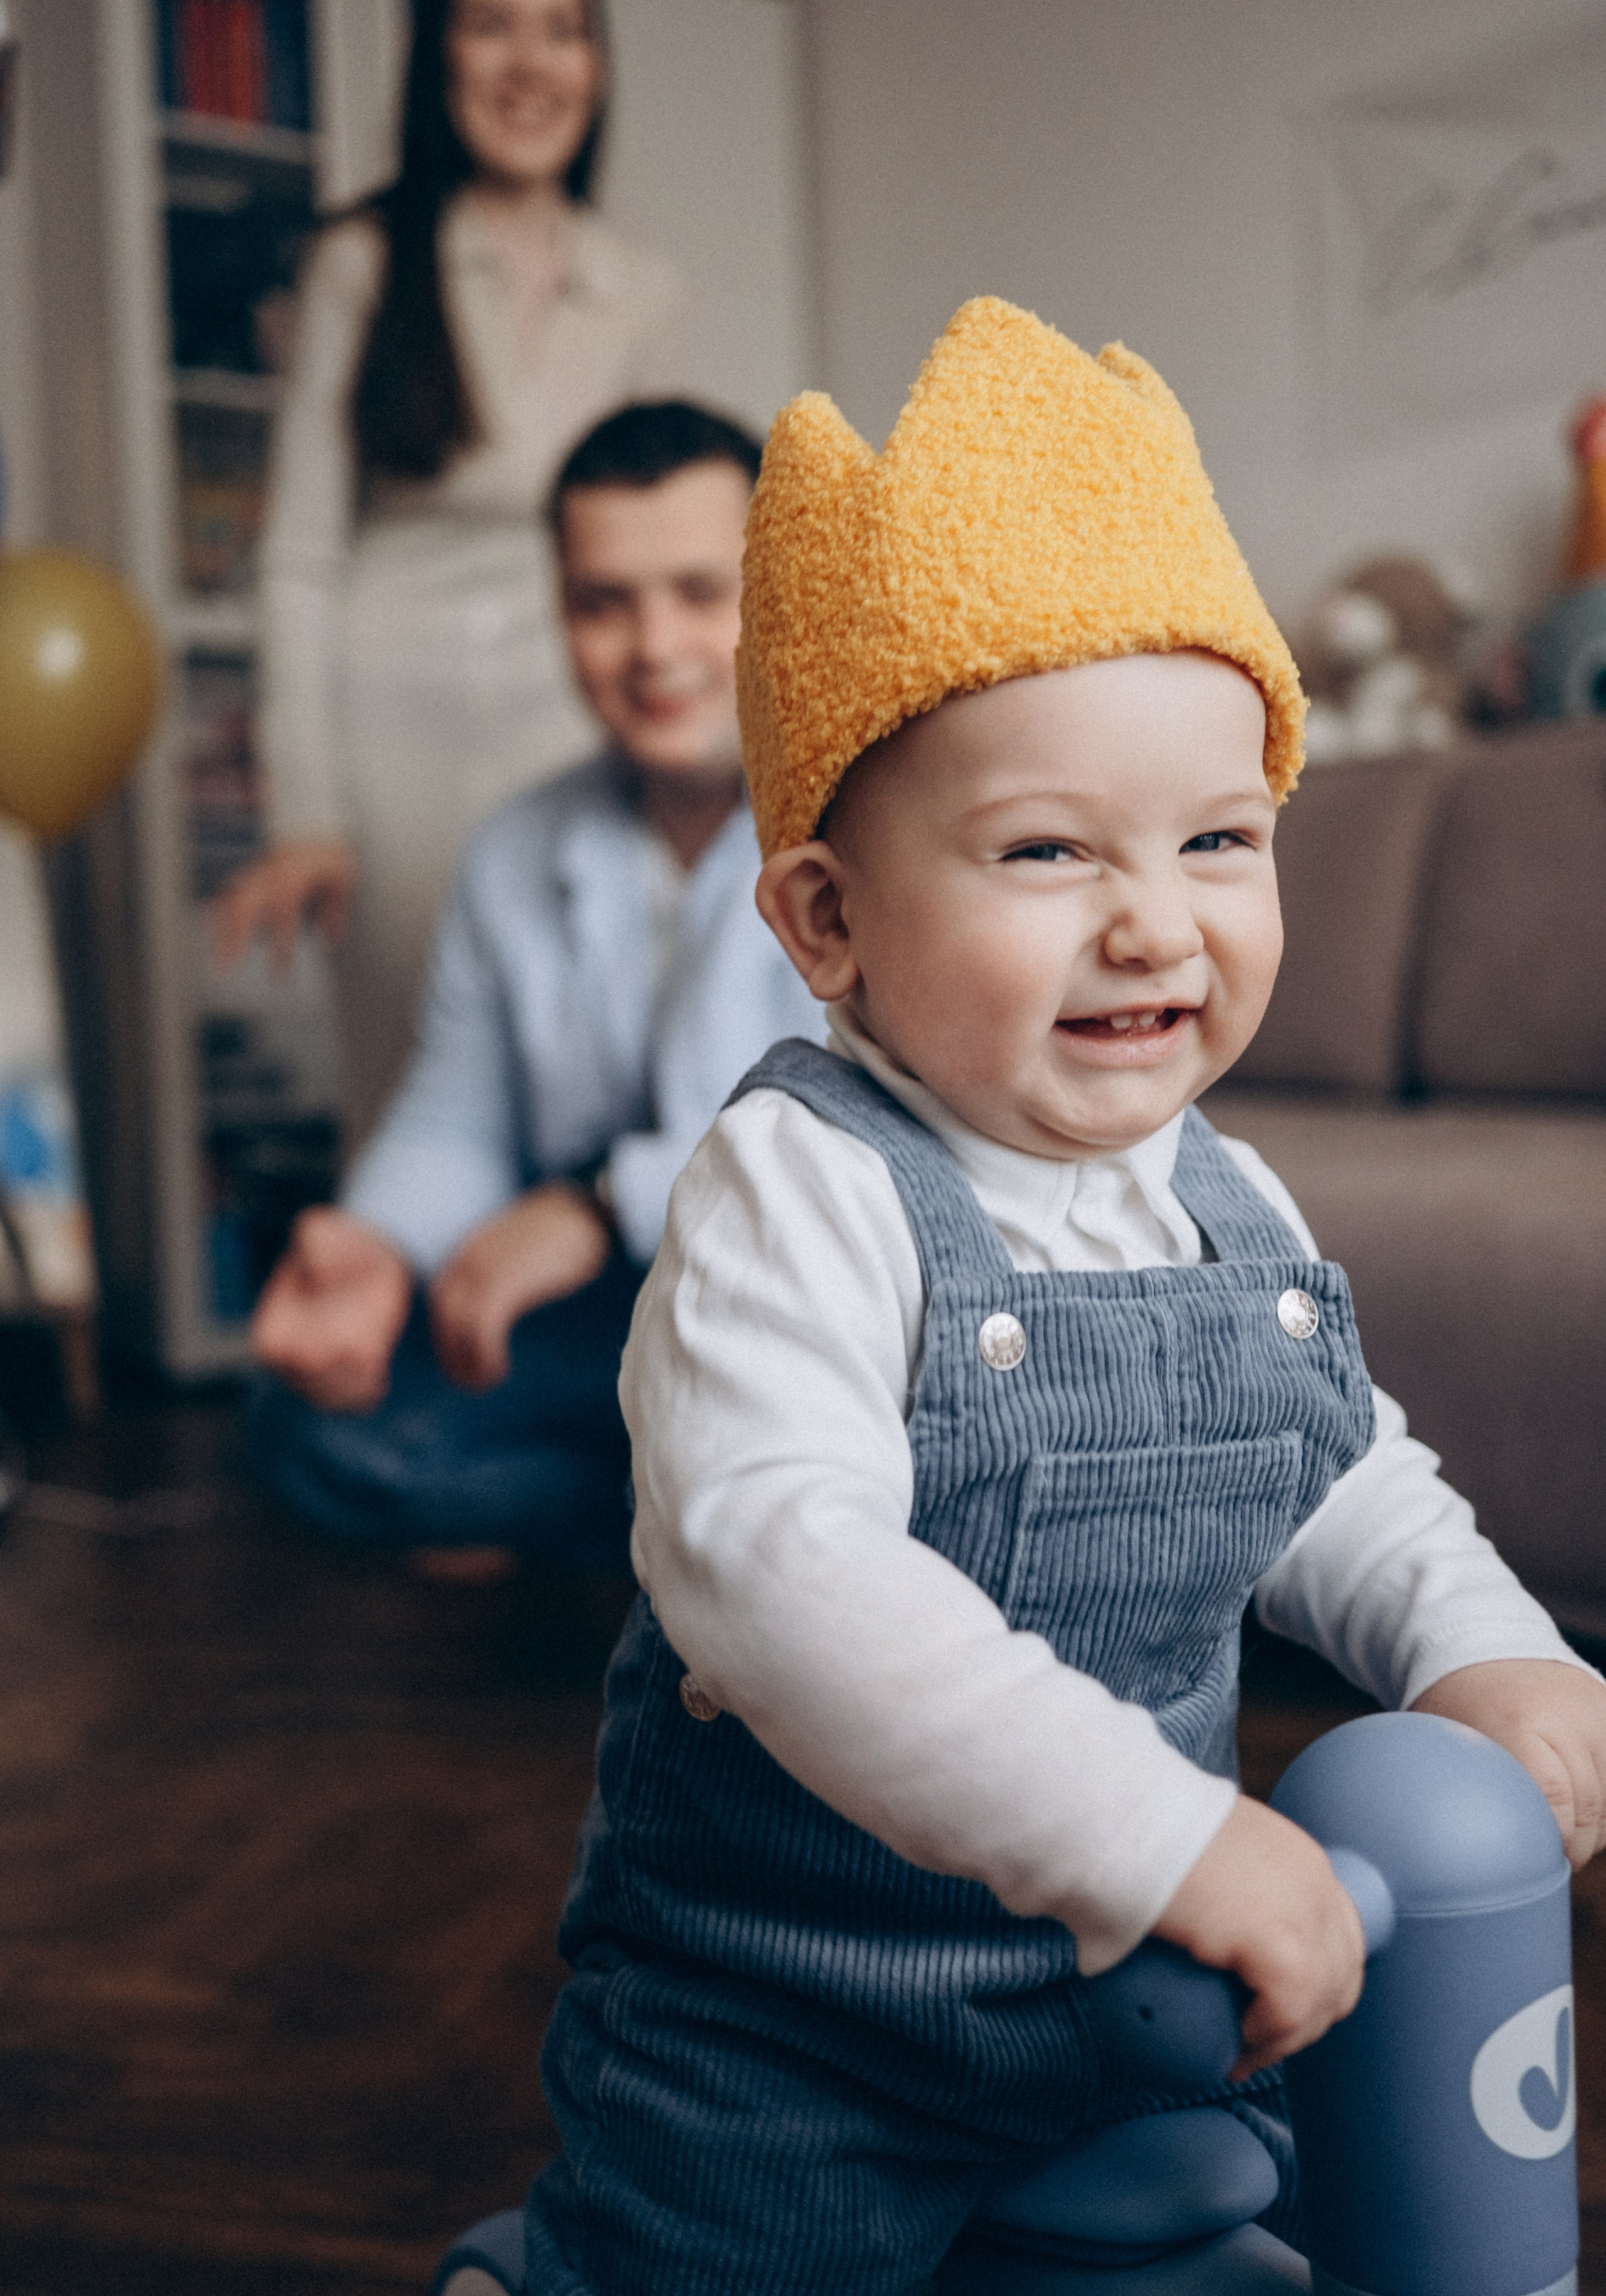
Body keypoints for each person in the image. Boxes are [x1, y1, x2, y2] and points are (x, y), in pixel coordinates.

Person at [510, 301, 1606, 2293]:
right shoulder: (800, 1188)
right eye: (1045, 848)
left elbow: (1342, 1476)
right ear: (827, 919)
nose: (1155, 918)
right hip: (789, 2044)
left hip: (1134, 2015)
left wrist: (1486, 1647)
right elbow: (782, 1575)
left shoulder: (1223, 1189)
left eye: (1219, 839)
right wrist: (1165, 1835)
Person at [248, 401, 821, 1572]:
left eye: (702, 594)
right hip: (614, 1317)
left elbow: (889, 1146)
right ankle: (703, 1520)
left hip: (822, 1308)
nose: (653, 649)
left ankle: (693, 1510)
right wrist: (376, 1246)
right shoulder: (514, 847)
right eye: (603, 602)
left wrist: (600, 1200)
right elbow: (459, 1110)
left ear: (787, 592)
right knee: (305, 1427)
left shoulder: (877, 820)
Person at [216, 0, 688, 1142]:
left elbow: (652, 531)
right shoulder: (362, 264)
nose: (527, 64)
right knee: (417, 1070)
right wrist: (305, 810)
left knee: (583, 1045)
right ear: (439, 61)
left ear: (596, 67)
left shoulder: (640, 286)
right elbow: (302, 556)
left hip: (570, 711)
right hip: (391, 739)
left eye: (561, 32)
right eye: (490, 28)